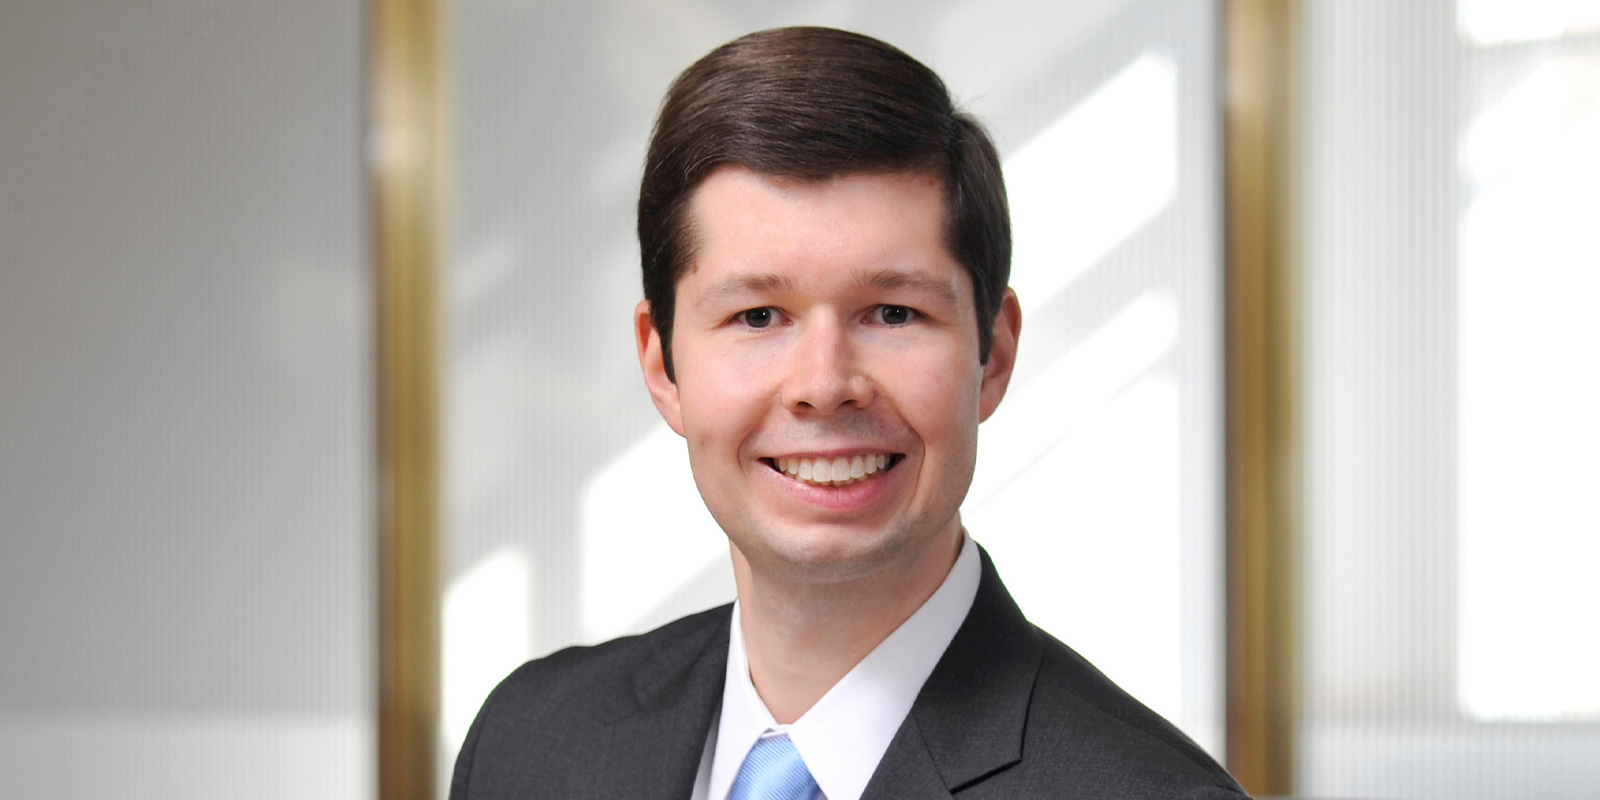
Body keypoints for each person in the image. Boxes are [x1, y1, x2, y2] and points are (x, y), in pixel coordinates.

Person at [451, 26, 1248, 800]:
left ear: (994, 355)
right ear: (662, 365)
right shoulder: (528, 744)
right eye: (757, 316)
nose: (825, 385)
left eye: (894, 313)